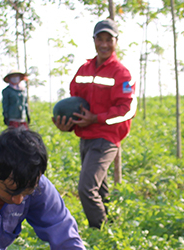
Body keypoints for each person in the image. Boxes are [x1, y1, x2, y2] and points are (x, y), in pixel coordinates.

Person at [52, 18, 137, 229]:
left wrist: (96, 118)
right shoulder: (84, 69)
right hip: (86, 137)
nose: (104, 44)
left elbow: (127, 110)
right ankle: (112, 227)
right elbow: (75, 103)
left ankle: (97, 230)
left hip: (107, 138)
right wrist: (67, 124)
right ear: (94, 40)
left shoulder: (122, 73)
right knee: (99, 189)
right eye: (100, 39)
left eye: (109, 39)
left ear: (116, 41)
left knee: (86, 187)